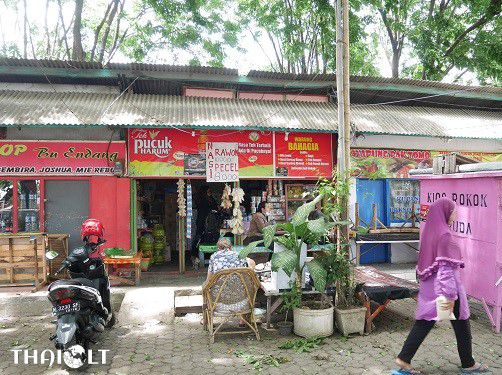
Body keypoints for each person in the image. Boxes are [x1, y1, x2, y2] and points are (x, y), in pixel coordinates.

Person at [392, 198, 490, 375]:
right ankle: (468, 364)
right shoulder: (444, 235)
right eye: (453, 212)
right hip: (446, 290)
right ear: (445, 213)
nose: (455, 215)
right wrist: (449, 297)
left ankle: (404, 358)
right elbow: (446, 271)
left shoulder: (430, 233)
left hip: (431, 289)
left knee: (433, 322)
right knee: (456, 322)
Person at [191, 185, 218, 268]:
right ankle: (195, 254)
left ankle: (202, 255)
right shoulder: (203, 199)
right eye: (208, 191)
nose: (210, 192)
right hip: (204, 221)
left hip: (207, 222)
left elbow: (215, 207)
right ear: (205, 191)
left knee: (204, 236)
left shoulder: (207, 199)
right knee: (200, 237)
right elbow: (213, 207)